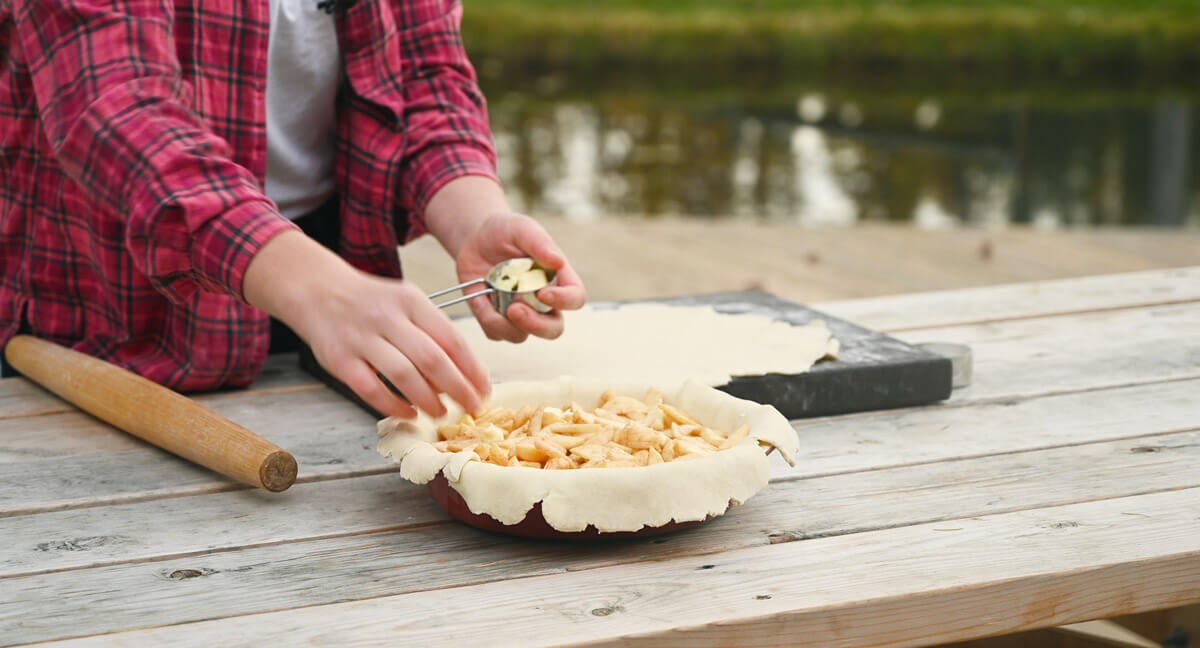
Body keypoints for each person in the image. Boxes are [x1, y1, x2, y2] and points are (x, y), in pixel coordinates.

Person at [0, 0, 587, 419]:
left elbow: (426, 77)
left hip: (338, 299)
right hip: (106, 326)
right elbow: (118, 108)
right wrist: (319, 289)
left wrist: (475, 217)